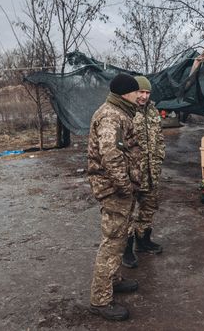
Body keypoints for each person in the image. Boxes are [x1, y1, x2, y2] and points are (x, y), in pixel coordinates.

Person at [87, 73, 142, 321]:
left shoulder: (120, 112)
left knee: (119, 238)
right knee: (112, 242)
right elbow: (110, 155)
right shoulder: (111, 115)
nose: (139, 95)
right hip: (114, 189)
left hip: (119, 188)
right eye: (135, 91)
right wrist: (124, 186)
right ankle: (100, 300)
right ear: (125, 93)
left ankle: (114, 280)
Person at [122, 75, 165, 269]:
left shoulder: (153, 112)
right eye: (141, 92)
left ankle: (143, 240)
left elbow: (160, 138)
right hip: (132, 173)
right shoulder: (125, 112)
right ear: (133, 92)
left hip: (152, 170)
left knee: (149, 208)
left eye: (147, 93)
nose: (144, 96)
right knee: (127, 212)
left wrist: (160, 156)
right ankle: (126, 249)